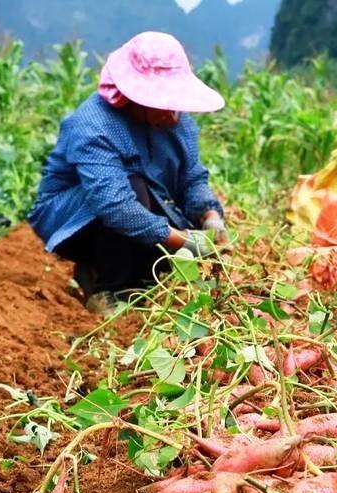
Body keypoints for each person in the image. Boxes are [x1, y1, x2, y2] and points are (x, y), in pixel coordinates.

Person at [29, 32, 228, 311]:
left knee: (165, 258)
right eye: (162, 102)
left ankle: (119, 275)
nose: (173, 114)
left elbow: (191, 178)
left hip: (144, 203)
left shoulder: (178, 123)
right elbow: (116, 207)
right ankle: (106, 289)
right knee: (132, 190)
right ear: (135, 98)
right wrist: (184, 240)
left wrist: (209, 216)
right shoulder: (93, 125)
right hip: (77, 217)